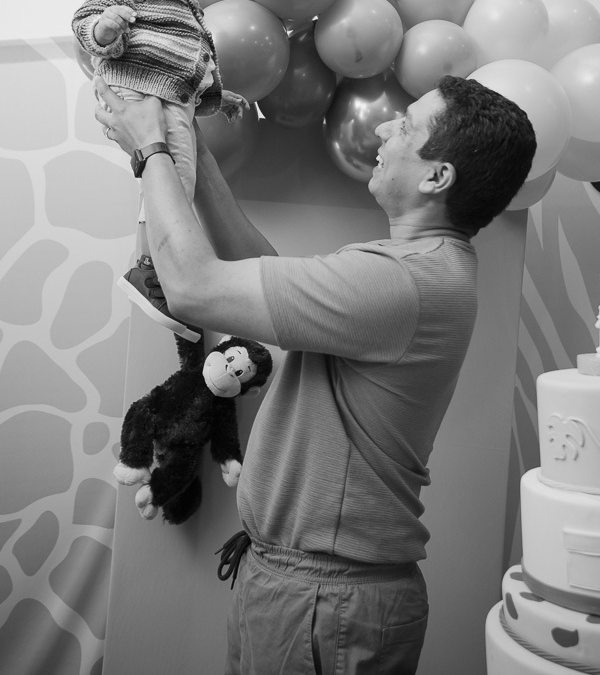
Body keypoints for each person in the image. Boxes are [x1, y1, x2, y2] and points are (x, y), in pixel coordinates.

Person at [93, 72, 536, 675]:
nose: (384, 126)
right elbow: (265, 272)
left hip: (324, 604)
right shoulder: (420, 269)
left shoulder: (400, 282)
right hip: (308, 593)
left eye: (406, 125)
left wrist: (149, 154)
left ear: (438, 176)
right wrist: (187, 149)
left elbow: (193, 287)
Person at [72, 0, 249, 342]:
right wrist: (105, 28)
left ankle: (153, 269)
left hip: (171, 96)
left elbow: (194, 59)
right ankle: (152, 271)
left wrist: (216, 96)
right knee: (170, 182)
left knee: (176, 184)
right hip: (143, 91)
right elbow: (88, 20)